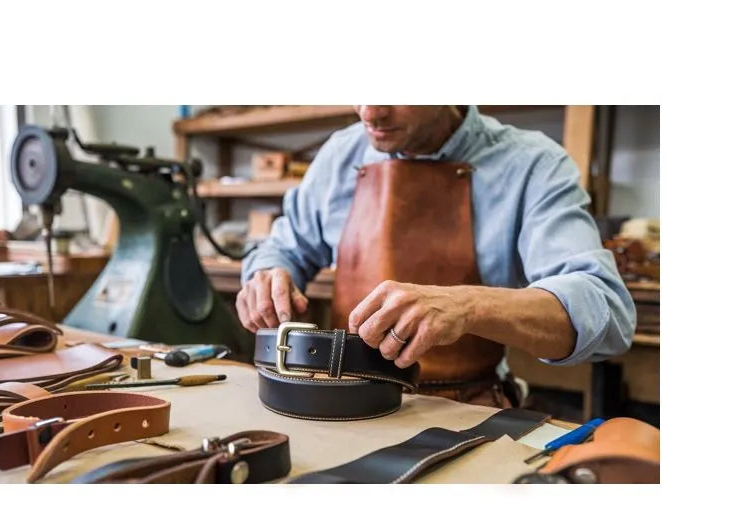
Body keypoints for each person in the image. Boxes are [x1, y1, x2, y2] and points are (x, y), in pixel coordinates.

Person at [237, 105, 635, 407]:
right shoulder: (341, 153)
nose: (370, 112)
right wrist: (269, 273)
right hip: (343, 401)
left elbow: (606, 309)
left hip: (463, 408)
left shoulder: (532, 164)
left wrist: (470, 304)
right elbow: (285, 246)